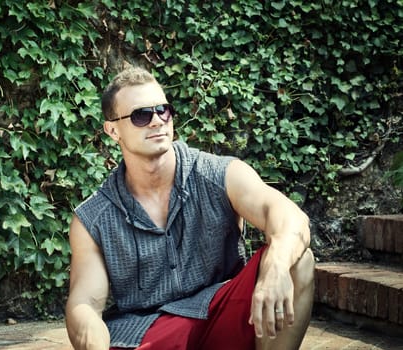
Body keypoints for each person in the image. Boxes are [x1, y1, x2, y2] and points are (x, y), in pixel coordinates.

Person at [65, 66, 315, 350]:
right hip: (148, 331)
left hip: (221, 311)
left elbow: (288, 216)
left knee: (298, 262)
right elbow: (84, 303)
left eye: (163, 110)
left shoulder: (219, 174)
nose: (157, 121)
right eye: (141, 115)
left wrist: (277, 265)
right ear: (112, 130)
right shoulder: (94, 218)